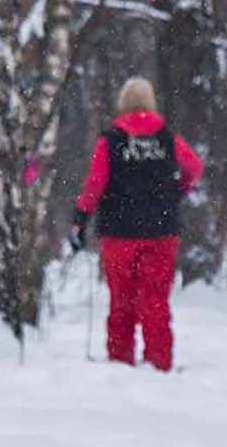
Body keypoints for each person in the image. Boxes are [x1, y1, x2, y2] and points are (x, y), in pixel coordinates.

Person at [70, 77, 205, 371]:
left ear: (123, 104)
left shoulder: (111, 140)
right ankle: (159, 361)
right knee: (155, 300)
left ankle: (120, 362)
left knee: (122, 300)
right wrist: (177, 190)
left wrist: (80, 218)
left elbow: (95, 183)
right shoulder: (168, 138)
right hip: (161, 230)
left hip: (119, 232)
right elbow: (194, 167)